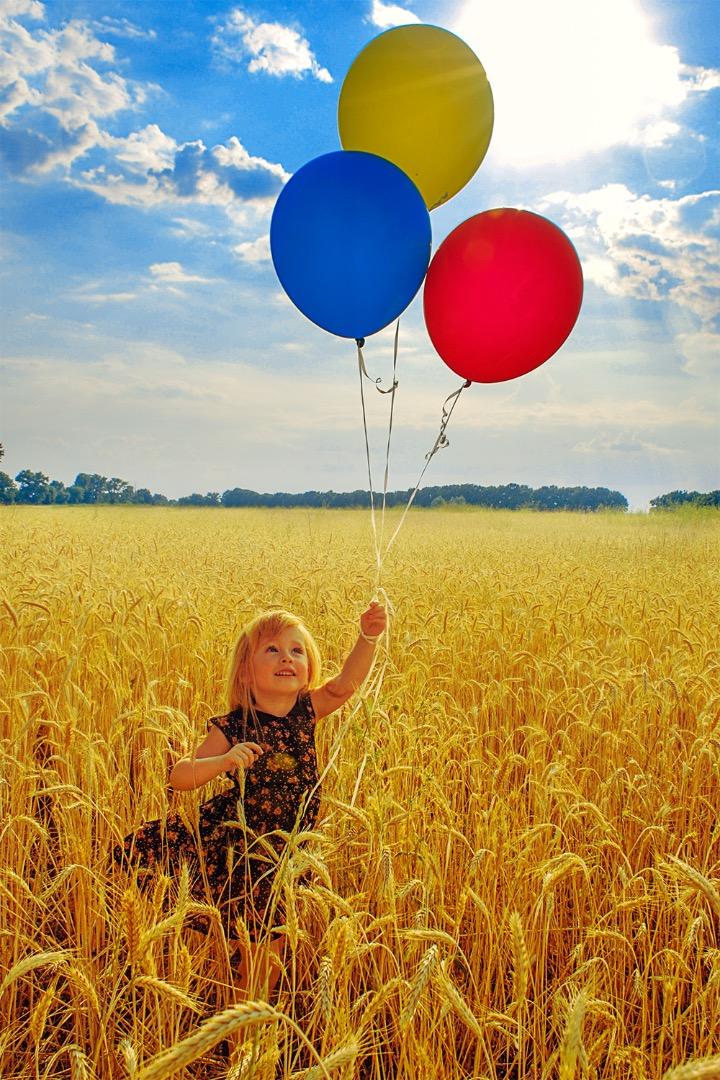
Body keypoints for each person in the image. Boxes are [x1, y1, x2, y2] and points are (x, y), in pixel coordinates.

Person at [112, 599, 387, 1001]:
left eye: (297, 650)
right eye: (272, 649)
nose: (286, 658)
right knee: (260, 950)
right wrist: (223, 760)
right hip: (245, 853)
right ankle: (245, 1027)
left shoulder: (307, 710)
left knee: (265, 951)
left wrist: (368, 636)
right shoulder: (235, 726)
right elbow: (180, 776)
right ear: (245, 669)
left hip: (290, 850)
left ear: (308, 666)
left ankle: (243, 1022)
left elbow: (345, 683)